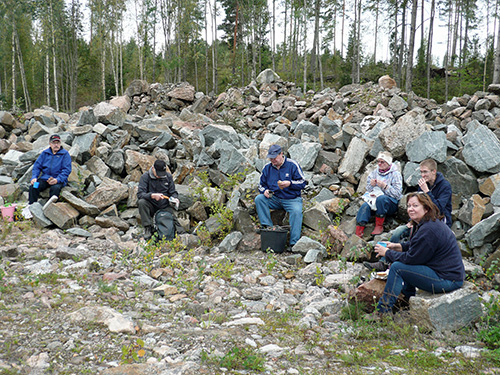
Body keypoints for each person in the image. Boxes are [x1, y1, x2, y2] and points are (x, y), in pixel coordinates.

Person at [372, 192, 464, 314]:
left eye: (415, 206)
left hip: (448, 280)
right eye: (409, 206)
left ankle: (382, 311)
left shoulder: (428, 230)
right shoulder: (427, 223)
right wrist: (396, 246)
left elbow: (412, 258)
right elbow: (415, 246)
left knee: (397, 268)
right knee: (406, 267)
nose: (411, 209)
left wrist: (387, 253)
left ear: (426, 209)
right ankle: (406, 301)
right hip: (446, 274)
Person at [365, 159, 453, 271]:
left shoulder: (444, 186)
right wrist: (412, 221)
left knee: (416, 238)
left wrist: (427, 192)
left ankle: (401, 264)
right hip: (422, 220)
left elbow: (439, 209)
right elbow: (416, 205)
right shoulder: (422, 184)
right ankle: (384, 262)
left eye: (425, 172)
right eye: (421, 172)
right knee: (398, 231)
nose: (423, 175)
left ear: (434, 171)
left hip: (439, 222)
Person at [255, 144, 307, 248]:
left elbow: (303, 182)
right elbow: (260, 185)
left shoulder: (292, 165)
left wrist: (290, 183)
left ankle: (293, 243)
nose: (272, 160)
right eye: (271, 158)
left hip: (292, 199)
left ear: (281, 154)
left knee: (297, 212)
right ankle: (268, 228)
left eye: (275, 158)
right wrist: (264, 191)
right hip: (275, 198)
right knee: (259, 199)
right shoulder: (267, 168)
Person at [355, 151, 402, 237]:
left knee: (381, 199)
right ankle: (359, 231)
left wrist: (385, 187)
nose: (379, 164)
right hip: (375, 200)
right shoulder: (374, 172)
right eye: (378, 161)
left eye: (382, 162)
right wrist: (371, 185)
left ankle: (379, 226)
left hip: (390, 203)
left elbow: (398, 194)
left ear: (388, 162)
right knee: (365, 206)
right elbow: (368, 189)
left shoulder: (395, 174)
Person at [137, 159, 182, 240]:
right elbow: (140, 194)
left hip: (164, 205)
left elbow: (173, 192)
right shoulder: (145, 177)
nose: (159, 176)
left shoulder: (168, 176)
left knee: (177, 225)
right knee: (141, 202)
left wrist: (175, 198)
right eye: (158, 174)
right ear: (153, 168)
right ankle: (148, 228)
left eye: (161, 174)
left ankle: (176, 231)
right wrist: (152, 195)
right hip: (151, 205)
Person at [29, 134, 72, 204]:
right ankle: (31, 206)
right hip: (45, 178)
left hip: (58, 179)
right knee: (34, 186)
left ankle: (50, 207)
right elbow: (37, 166)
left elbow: (67, 170)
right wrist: (34, 177)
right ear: (50, 144)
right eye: (54, 143)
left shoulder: (65, 154)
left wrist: (57, 179)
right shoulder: (45, 153)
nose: (56, 145)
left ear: (60, 143)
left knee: (55, 189)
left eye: (58, 143)